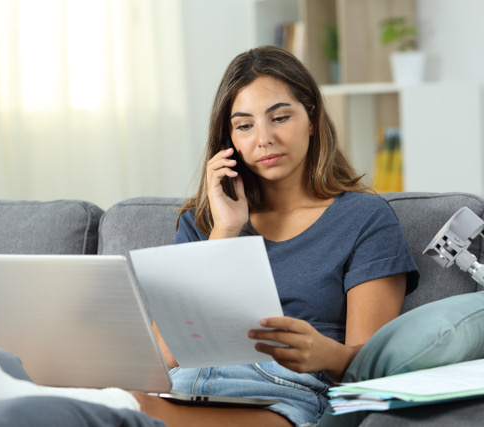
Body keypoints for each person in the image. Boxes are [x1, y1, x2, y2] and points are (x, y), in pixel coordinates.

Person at [130, 45, 419, 426]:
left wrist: (325, 353)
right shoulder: (204, 222)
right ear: (229, 139)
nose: (263, 139)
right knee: (101, 405)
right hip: (185, 385)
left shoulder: (365, 219)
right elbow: (164, 354)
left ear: (312, 120)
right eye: (245, 125)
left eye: (279, 118)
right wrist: (226, 230)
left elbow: (373, 366)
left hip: (284, 393)